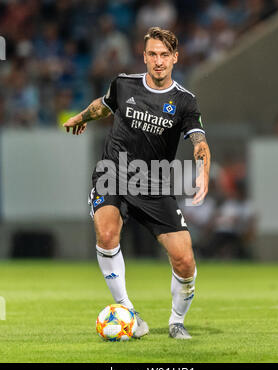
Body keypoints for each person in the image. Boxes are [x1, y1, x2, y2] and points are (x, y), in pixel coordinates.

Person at [63, 27, 211, 339]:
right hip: (112, 173)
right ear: (144, 56)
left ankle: (176, 322)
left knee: (184, 259)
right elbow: (103, 105)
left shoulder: (184, 101)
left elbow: (199, 141)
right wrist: (80, 117)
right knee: (106, 234)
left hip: (153, 182)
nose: (158, 61)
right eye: (153, 54)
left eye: (164, 55)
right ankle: (127, 310)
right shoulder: (124, 84)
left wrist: (203, 171)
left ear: (175, 58)